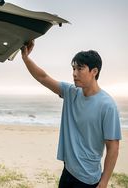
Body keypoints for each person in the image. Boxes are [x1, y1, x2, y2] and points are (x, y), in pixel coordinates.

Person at [21, 40, 121, 188]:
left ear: (94, 71)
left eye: (80, 69)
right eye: (73, 68)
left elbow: (113, 147)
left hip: (88, 179)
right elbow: (43, 77)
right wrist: (26, 58)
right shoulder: (71, 92)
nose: (74, 73)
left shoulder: (107, 105)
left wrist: (104, 181)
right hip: (68, 172)